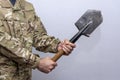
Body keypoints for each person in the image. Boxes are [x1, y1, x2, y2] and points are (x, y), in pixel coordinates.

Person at [0, 0, 76, 80]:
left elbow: (37, 36)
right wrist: (37, 62)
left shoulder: (26, 6)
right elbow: (3, 42)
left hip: (25, 76)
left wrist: (57, 45)